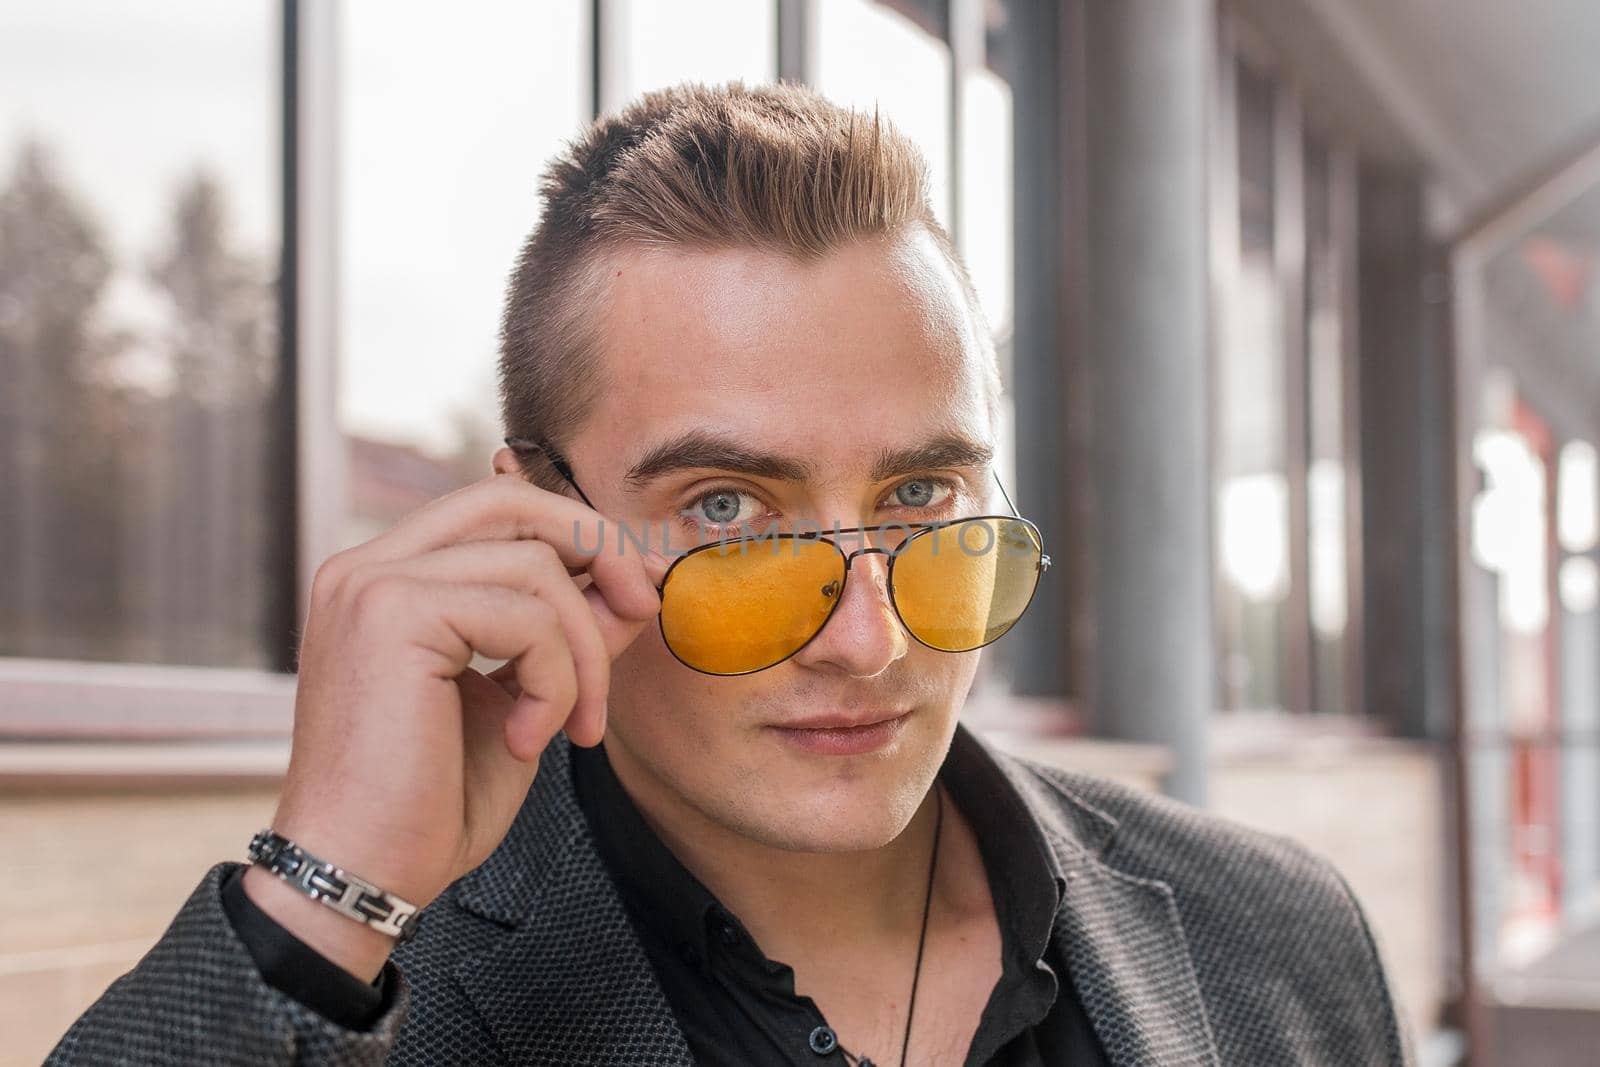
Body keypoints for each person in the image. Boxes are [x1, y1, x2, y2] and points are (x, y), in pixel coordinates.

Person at [49, 81, 1412, 1066]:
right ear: (535, 526)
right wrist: (317, 896)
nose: (868, 640)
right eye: (732, 512)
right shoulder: (367, 1001)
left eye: (924, 493)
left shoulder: (1275, 934)